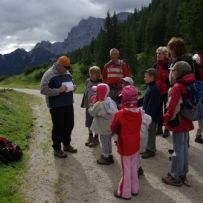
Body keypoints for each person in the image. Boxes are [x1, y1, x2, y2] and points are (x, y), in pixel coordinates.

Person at [162, 61, 195, 186]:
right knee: (183, 148)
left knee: (177, 149)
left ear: (179, 72)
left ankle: (175, 175)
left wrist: (166, 117)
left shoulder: (177, 86)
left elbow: (172, 105)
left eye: (173, 70)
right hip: (186, 119)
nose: (172, 72)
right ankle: (182, 172)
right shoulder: (189, 83)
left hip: (177, 121)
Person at [40, 56, 77, 158]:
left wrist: (73, 87)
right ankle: (57, 149)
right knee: (58, 127)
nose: (67, 69)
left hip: (68, 104)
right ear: (59, 65)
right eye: (65, 67)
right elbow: (42, 90)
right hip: (56, 106)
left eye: (68, 67)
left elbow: (71, 81)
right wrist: (58, 91)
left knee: (69, 125)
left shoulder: (67, 72)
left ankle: (66, 145)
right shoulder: (49, 74)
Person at [167, 37, 201, 145]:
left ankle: (181, 147)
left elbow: (182, 80)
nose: (169, 51)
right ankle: (183, 146)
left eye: (171, 48)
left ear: (175, 49)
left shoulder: (182, 62)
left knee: (179, 119)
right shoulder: (189, 59)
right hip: (187, 93)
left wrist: (173, 88)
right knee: (184, 121)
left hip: (180, 94)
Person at [111, 85, 142, 200]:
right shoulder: (139, 111)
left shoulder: (120, 113)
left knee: (126, 169)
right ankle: (134, 189)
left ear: (124, 98)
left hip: (125, 145)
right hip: (135, 143)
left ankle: (124, 192)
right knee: (134, 167)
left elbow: (113, 127)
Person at [88, 83, 117, 165]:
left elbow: (92, 112)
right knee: (108, 140)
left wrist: (91, 104)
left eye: (97, 91)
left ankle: (106, 156)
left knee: (103, 141)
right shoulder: (110, 101)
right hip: (109, 125)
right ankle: (109, 154)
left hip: (102, 126)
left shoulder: (99, 104)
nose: (96, 93)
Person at [137, 68, 160, 159]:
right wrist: (135, 104)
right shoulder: (150, 87)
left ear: (152, 77)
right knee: (148, 132)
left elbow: (153, 106)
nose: (144, 78)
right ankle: (149, 147)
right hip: (148, 115)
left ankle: (151, 150)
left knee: (151, 133)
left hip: (152, 117)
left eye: (146, 76)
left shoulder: (154, 89)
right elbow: (144, 99)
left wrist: (148, 117)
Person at [81, 66, 102, 147]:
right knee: (89, 121)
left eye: (94, 74)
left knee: (97, 121)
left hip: (97, 106)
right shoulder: (87, 81)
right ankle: (90, 136)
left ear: (98, 74)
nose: (92, 75)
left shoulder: (100, 83)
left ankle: (96, 138)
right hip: (88, 106)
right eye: (91, 73)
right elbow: (86, 93)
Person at [153, 46, 171, 137]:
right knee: (158, 110)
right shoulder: (155, 65)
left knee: (167, 110)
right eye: (157, 53)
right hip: (158, 91)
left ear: (165, 55)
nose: (158, 55)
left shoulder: (169, 65)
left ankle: (167, 129)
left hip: (167, 91)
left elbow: (171, 78)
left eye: (160, 53)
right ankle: (159, 128)